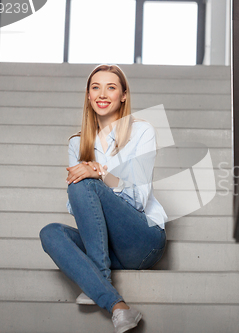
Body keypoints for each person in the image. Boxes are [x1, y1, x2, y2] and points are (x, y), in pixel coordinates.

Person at [39, 64, 167, 333]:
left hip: (143, 240)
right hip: (106, 246)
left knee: (84, 181)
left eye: (111, 87)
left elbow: (139, 199)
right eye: (96, 87)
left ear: (123, 95)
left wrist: (101, 175)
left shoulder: (142, 132)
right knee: (50, 232)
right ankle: (117, 307)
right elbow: (79, 206)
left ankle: (96, 280)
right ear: (88, 95)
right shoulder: (78, 143)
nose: (102, 93)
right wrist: (90, 182)